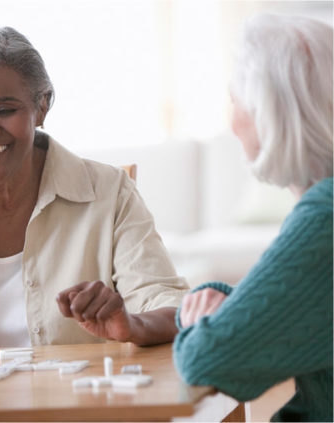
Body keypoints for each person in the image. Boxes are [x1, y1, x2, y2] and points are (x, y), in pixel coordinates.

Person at [0, 26, 188, 352]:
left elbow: (170, 305)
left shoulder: (110, 193)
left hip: (74, 400)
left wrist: (131, 323)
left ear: (41, 107)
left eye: (5, 110)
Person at [173, 14, 332, 422]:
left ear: (271, 112)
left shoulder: (325, 217)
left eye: (234, 99)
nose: (232, 121)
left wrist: (204, 317)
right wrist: (223, 304)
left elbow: (208, 361)